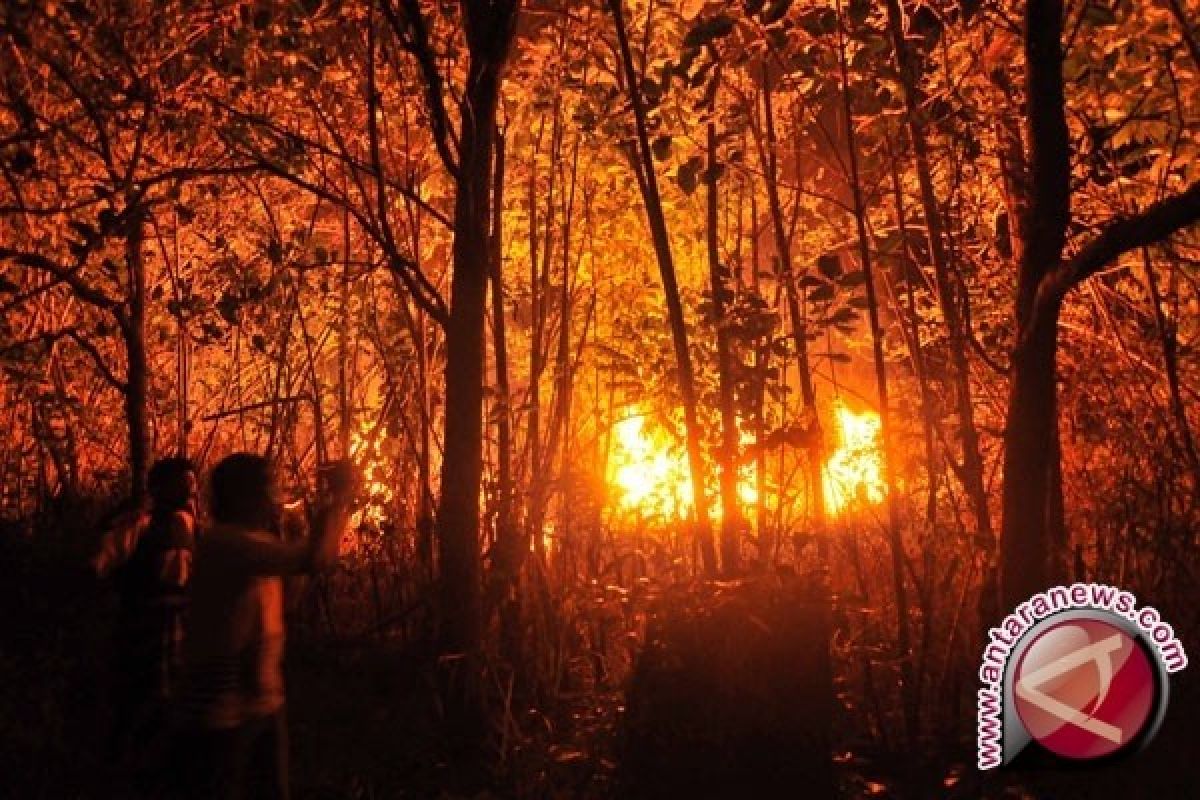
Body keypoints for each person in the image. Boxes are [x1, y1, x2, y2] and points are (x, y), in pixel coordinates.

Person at [176, 453, 354, 800]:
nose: (275, 495)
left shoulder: (256, 542)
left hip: (262, 701)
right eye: (267, 487)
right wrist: (341, 500)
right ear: (244, 495)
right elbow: (313, 560)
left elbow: (291, 595)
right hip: (218, 710)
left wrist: (310, 529)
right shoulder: (224, 543)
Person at [103, 457, 199, 768]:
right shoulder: (136, 524)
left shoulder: (188, 523)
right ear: (159, 488)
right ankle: (120, 767)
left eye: (193, 484)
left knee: (172, 700)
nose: (191, 491)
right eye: (183, 484)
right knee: (138, 700)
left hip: (179, 627)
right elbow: (98, 567)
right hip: (143, 627)